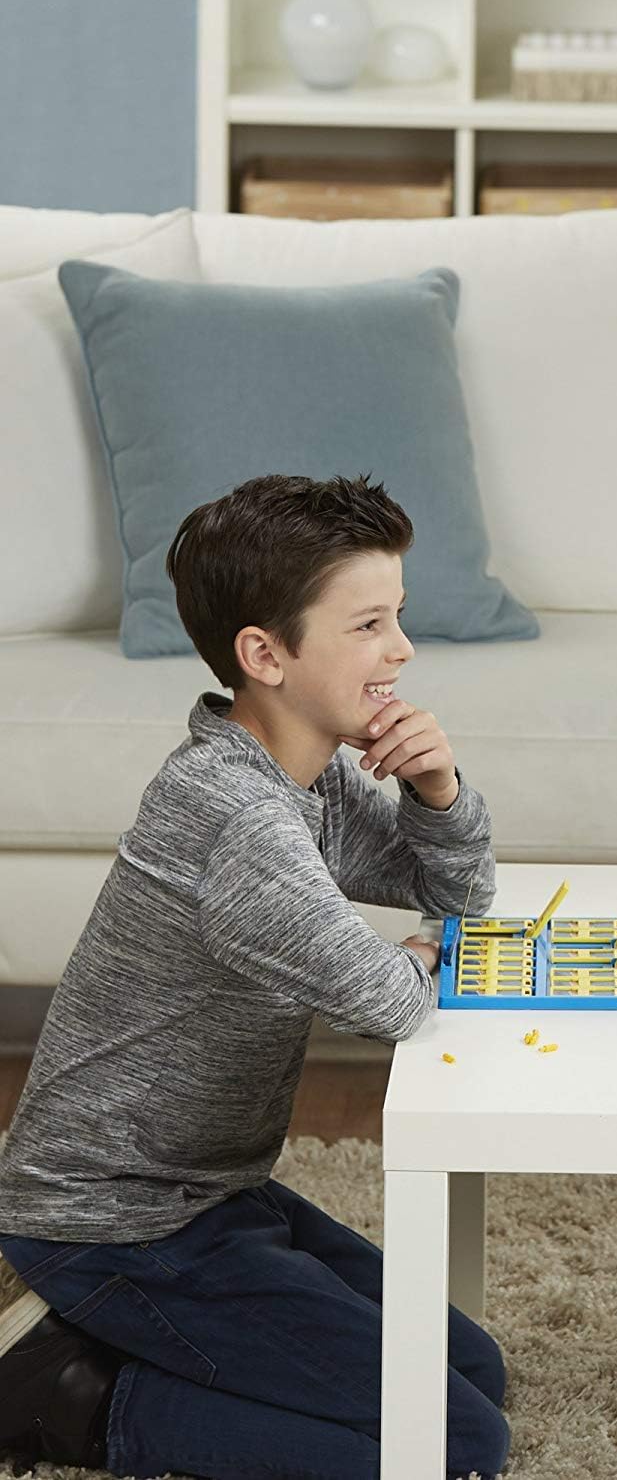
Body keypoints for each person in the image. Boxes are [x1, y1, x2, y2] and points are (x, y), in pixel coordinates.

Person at [0, 474, 509, 1478]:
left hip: (215, 1194)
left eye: (395, 618)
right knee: (454, 1443)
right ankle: (67, 1397)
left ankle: (109, 1344)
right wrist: (416, 953)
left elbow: (454, 895)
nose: (401, 650)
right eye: (368, 624)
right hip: (118, 1225)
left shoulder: (300, 777)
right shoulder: (238, 818)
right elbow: (394, 1002)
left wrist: (438, 790)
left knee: (470, 1368)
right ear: (264, 655)